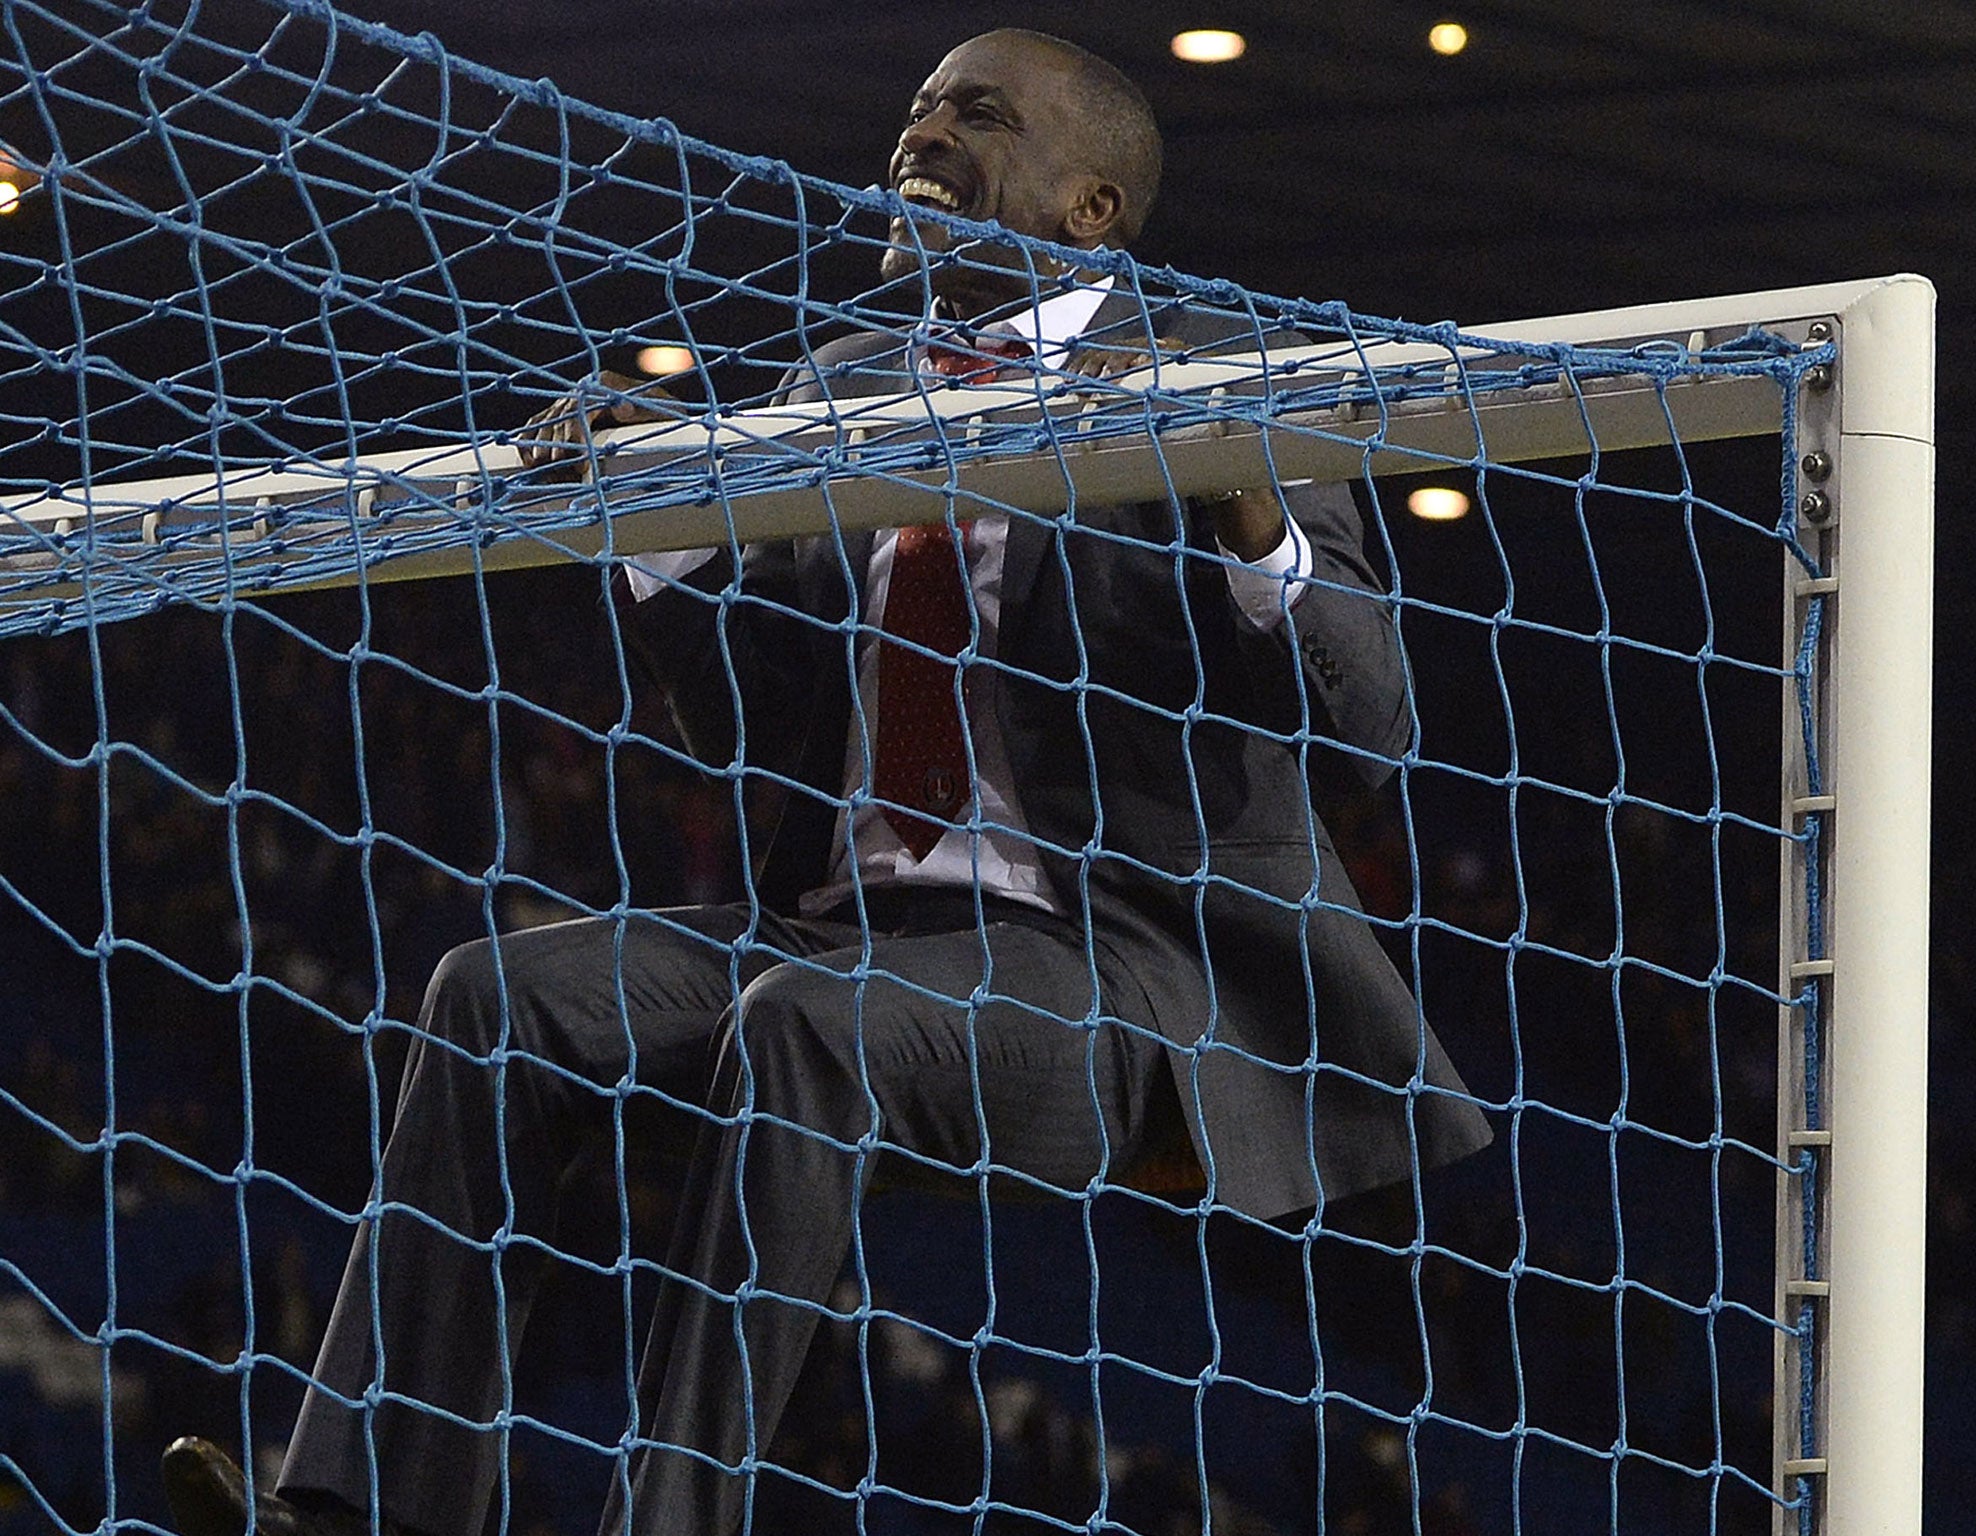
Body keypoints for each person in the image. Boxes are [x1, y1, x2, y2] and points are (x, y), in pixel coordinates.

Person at [161, 28, 1490, 1536]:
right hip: (837, 926)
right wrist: (656, 521)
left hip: (1105, 973)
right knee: (488, 991)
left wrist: (1242, 498)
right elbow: (752, 712)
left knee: (803, 1027)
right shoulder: (838, 385)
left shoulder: (1217, 378)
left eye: (976, 114)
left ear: (1091, 207)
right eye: (917, 106)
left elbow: (1370, 727)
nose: (920, 132)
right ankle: (350, 1516)